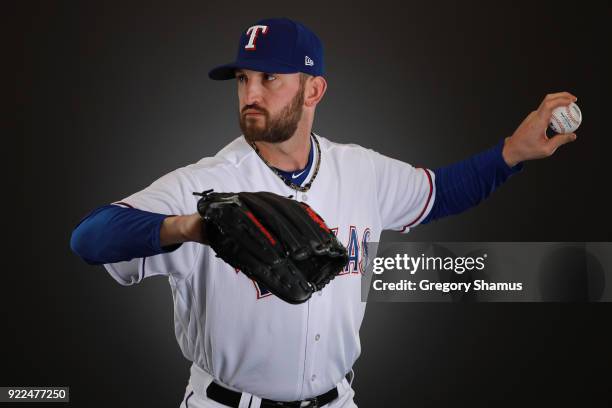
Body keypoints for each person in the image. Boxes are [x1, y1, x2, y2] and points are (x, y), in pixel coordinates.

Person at [70, 17, 578, 408]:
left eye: (270, 79)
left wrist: (511, 152)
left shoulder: (361, 171)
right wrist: (194, 228)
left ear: (314, 89)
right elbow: (91, 238)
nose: (250, 95)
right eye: (243, 79)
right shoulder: (203, 186)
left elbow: (440, 193)